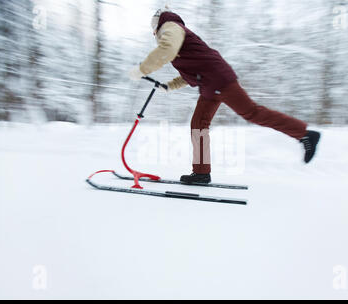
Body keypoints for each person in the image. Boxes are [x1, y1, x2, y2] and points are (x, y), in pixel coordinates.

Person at [129, 8, 321, 184]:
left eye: (153, 28)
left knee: (252, 112)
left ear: (157, 25)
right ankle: (201, 173)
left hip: (218, 80)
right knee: (198, 124)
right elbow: (190, 72)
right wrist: (168, 86)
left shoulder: (170, 27)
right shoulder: (177, 33)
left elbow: (166, 51)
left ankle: (305, 135)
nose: (153, 33)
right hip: (209, 84)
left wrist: (142, 69)